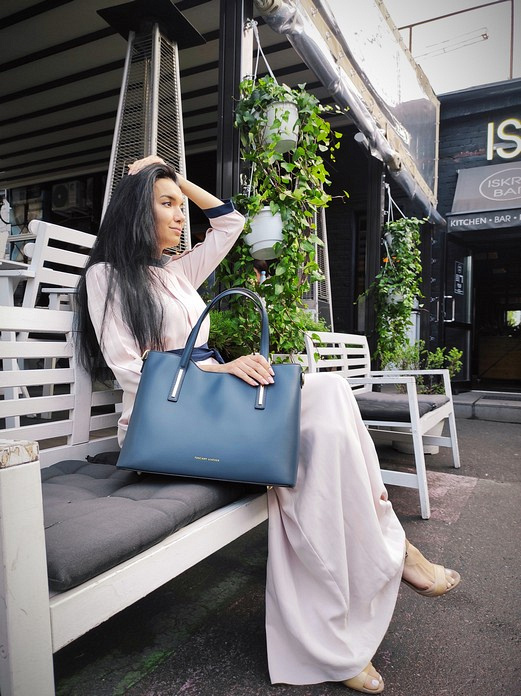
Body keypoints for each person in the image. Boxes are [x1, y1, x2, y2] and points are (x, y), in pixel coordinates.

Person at [76, 156, 460, 694]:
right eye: (166, 205)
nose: (181, 216)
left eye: (181, 207)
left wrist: (173, 178)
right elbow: (130, 370)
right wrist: (220, 371)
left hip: (211, 410)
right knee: (308, 448)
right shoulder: (106, 276)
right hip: (164, 424)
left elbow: (229, 222)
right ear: (136, 212)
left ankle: (388, 555)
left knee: (327, 395)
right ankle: (380, 572)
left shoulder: (174, 273)